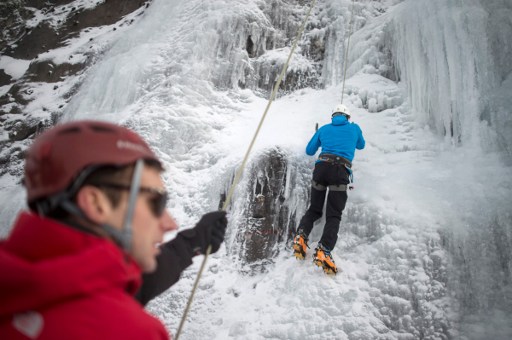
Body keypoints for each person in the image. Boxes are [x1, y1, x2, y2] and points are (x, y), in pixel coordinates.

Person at [0, 120, 228, 339]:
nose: (170, 223)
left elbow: (120, 282)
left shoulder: (18, 284)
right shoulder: (129, 331)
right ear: (96, 203)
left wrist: (192, 242)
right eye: (156, 201)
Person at [293, 104, 365, 274]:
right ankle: (324, 250)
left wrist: (318, 134)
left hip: (321, 169)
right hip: (340, 171)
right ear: (347, 117)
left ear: (333, 116)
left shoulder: (324, 129)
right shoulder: (354, 128)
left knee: (314, 209)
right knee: (334, 214)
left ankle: (301, 237)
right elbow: (361, 145)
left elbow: (310, 150)